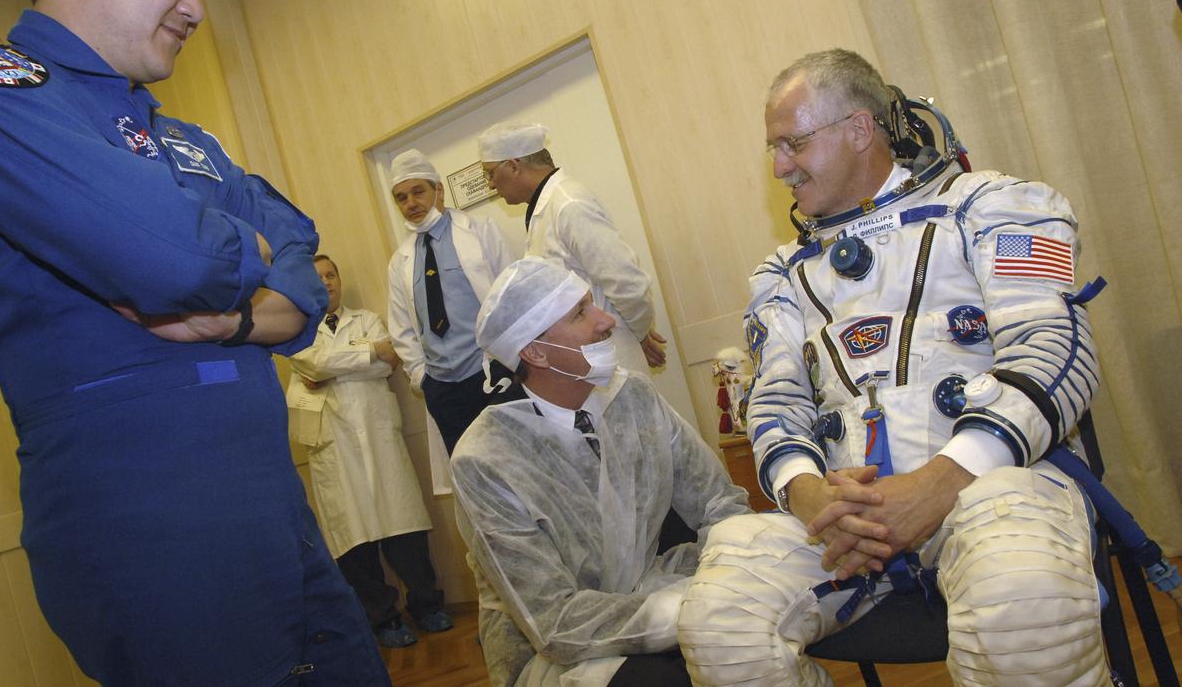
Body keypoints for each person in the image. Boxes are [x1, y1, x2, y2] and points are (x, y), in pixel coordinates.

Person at [0, 0, 387, 685]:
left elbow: (306, 265)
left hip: (276, 514)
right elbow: (174, 260)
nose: (196, 6)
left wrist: (243, 315)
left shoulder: (188, 139)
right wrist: (246, 253)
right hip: (150, 527)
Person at [676, 49, 1110, 685]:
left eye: (792, 143)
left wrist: (938, 485)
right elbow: (773, 405)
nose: (778, 167)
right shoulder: (783, 276)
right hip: (845, 524)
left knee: (1021, 600)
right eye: (773, 148)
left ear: (858, 129)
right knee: (720, 618)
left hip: (990, 488)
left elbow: (1054, 351)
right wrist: (809, 492)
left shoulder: (996, 207)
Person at [452, 257, 751, 687]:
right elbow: (554, 624)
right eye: (580, 312)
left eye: (593, 304)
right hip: (562, 654)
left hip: (656, 595)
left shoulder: (632, 398)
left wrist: (742, 573)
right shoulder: (486, 460)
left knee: (758, 636)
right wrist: (692, 610)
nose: (605, 320)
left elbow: (718, 503)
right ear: (534, 351)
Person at [287, 255, 454, 648]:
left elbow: (386, 363)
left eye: (332, 274)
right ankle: (384, 618)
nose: (326, 282)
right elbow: (311, 363)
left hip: (378, 437)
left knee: (403, 526)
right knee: (354, 539)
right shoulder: (296, 331)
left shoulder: (368, 320)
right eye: (318, 278)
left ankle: (427, 606)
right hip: (335, 445)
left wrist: (340, 365)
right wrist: (368, 354)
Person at [478, 121, 668, 374]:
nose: (490, 184)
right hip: (583, 365)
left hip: (609, 359)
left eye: (490, 173)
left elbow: (628, 283)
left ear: (513, 166)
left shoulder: (569, 204)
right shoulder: (544, 210)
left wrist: (641, 334)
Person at [386, 148, 517, 454]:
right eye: (401, 198)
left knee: (516, 463)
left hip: (488, 374)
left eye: (418, 192)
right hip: (442, 389)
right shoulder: (401, 260)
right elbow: (401, 328)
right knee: (472, 477)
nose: (411, 204)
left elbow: (511, 296)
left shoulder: (481, 231)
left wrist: (506, 362)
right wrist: (423, 379)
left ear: (439, 189)